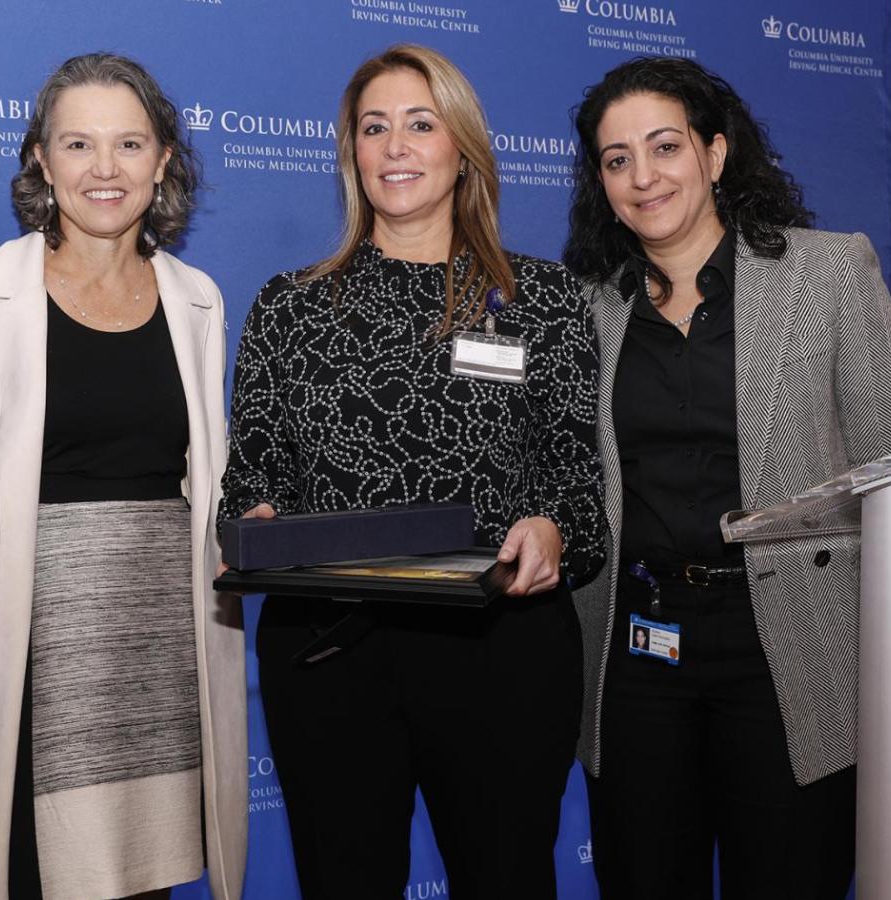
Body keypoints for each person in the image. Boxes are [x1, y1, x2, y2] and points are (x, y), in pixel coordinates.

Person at [218, 44, 605, 898]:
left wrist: (552, 531)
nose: (395, 146)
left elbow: (578, 488)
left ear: (461, 147)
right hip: (329, 653)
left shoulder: (540, 300)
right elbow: (249, 476)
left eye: (420, 125)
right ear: (352, 153)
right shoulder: (290, 306)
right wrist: (251, 529)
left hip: (500, 649)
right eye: (374, 127)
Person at [562, 56, 891, 899]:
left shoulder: (828, 274)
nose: (643, 177)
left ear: (715, 153)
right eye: (617, 160)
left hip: (789, 644)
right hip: (637, 648)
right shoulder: (588, 306)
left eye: (664, 147)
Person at [0, 53, 245, 900]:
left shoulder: (198, 299)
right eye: (78, 144)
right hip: (26, 636)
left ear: (164, 161)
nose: (105, 170)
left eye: (129, 145)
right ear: (41, 158)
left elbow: (206, 482)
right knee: (31, 872)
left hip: (160, 638)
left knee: (144, 875)